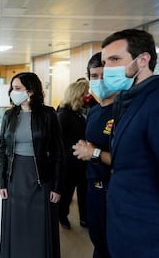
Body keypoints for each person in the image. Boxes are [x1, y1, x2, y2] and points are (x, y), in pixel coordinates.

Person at [100, 29, 159, 257]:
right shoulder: (128, 103)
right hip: (128, 236)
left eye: (115, 59)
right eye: (104, 62)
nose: (107, 69)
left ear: (143, 60)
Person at [0, 72, 65, 258]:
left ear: (31, 91)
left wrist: (58, 187)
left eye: (17, 88)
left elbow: (59, 151)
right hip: (15, 175)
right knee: (17, 223)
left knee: (38, 224)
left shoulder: (48, 114)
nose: (13, 92)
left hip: (40, 177)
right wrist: (1, 182)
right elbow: (2, 150)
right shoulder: (9, 115)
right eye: (12, 88)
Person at [72, 52, 116, 258]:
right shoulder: (95, 112)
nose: (99, 81)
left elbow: (130, 158)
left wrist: (93, 152)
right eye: (94, 76)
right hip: (93, 186)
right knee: (97, 240)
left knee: (112, 245)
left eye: (103, 75)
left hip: (114, 190)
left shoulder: (125, 111)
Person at [57, 79, 89, 229]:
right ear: (77, 94)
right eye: (85, 93)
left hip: (83, 160)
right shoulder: (64, 114)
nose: (87, 95)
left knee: (84, 192)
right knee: (66, 192)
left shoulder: (81, 112)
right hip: (69, 161)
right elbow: (57, 140)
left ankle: (85, 218)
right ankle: (62, 217)